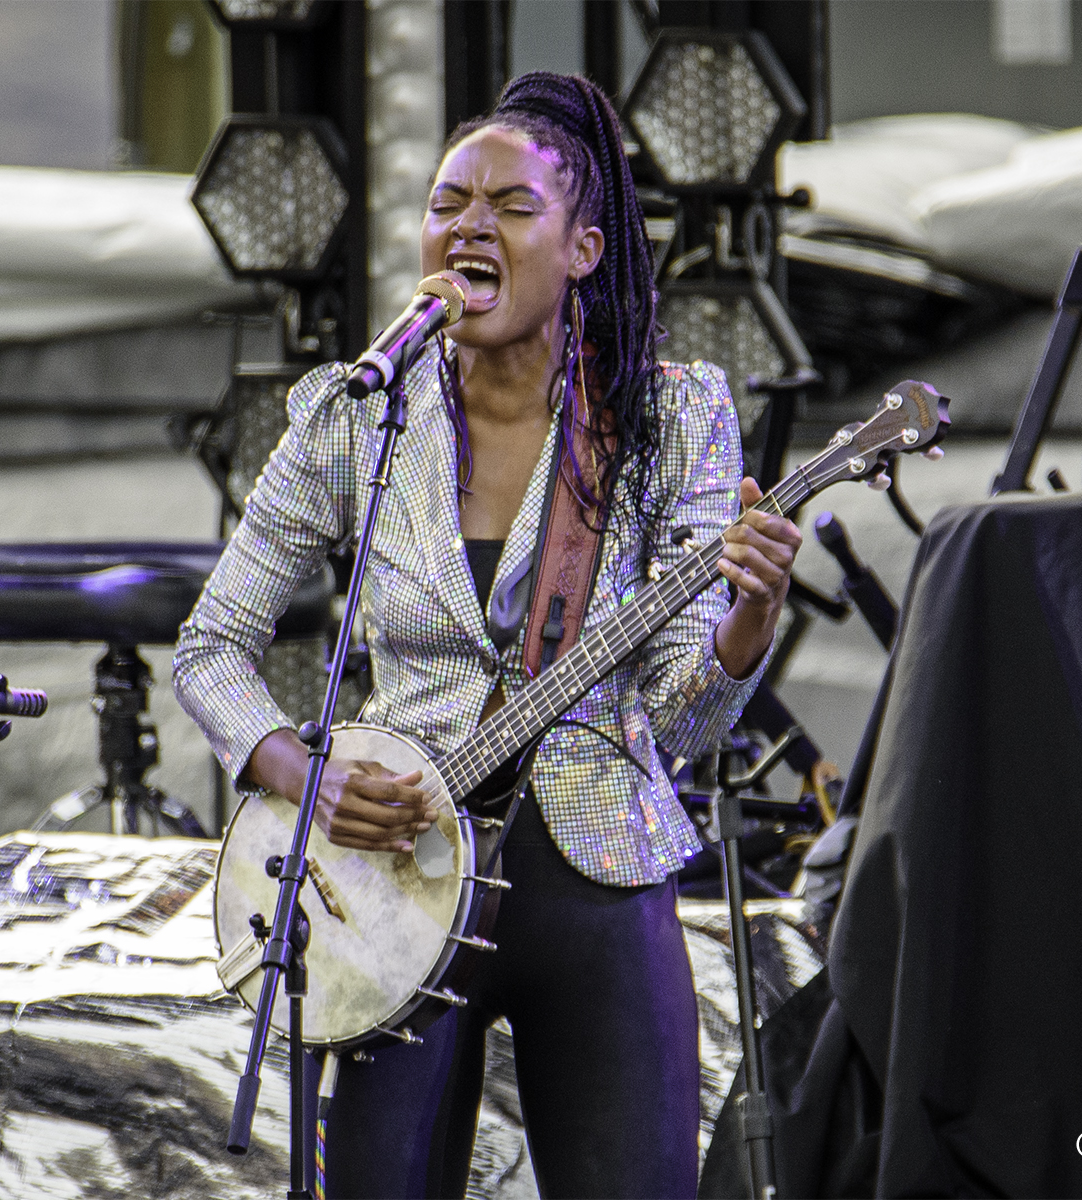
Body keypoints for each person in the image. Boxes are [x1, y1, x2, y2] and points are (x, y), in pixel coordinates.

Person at [174, 72, 803, 1198]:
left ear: (583, 248)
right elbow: (212, 643)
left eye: (513, 206)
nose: (472, 223)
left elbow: (678, 718)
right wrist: (298, 771)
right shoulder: (356, 411)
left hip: (595, 874)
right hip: (390, 882)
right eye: (449, 201)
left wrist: (747, 623)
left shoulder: (668, 417)